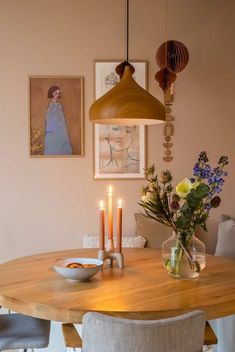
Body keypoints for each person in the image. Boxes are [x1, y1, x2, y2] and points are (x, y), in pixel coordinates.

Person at [44, 86, 72, 155]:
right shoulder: (51, 105)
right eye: (55, 93)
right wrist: (51, 130)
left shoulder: (59, 105)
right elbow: (49, 118)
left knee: (62, 142)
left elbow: (62, 117)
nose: (57, 95)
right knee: (53, 143)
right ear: (52, 94)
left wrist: (62, 127)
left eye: (58, 93)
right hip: (53, 128)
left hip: (61, 127)